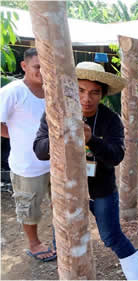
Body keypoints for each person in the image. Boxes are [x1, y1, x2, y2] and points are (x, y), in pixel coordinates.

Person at [33, 61, 138, 280]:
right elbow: (39, 149)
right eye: (80, 90)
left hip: (101, 189)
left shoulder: (110, 119)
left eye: (94, 92)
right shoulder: (55, 114)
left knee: (111, 237)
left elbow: (116, 156)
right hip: (67, 190)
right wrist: (60, 136)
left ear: (102, 94)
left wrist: (92, 140)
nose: (87, 98)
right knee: (65, 238)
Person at [0, 48, 56, 262]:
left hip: (55, 163)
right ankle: (34, 243)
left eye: (46, 67)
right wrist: (14, 136)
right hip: (27, 166)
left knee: (58, 203)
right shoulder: (13, 91)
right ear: (24, 66)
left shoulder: (51, 91)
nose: (42, 72)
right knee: (28, 207)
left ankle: (58, 238)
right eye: (37, 67)